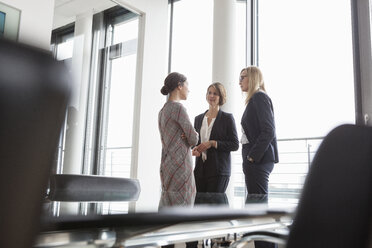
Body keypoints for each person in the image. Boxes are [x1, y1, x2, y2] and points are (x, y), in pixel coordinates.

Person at [239, 66, 278, 248]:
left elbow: (268, 130)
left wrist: (252, 157)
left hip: (258, 161)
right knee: (256, 209)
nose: (240, 81)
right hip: (255, 160)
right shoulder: (254, 99)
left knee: (259, 211)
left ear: (253, 78)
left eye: (243, 77)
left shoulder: (259, 97)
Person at [192, 82, 239, 193]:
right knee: (199, 207)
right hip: (199, 171)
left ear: (221, 97)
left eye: (215, 94)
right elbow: (197, 142)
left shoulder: (227, 118)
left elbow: (235, 144)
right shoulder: (198, 119)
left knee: (215, 208)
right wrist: (194, 148)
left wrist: (213, 143)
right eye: (209, 93)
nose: (211, 96)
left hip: (218, 171)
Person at [158, 72, 198, 193]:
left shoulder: (162, 111)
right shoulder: (178, 108)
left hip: (167, 165)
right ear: (179, 86)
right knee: (183, 207)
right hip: (180, 166)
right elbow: (194, 139)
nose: (189, 89)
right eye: (187, 85)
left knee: (168, 206)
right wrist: (191, 135)